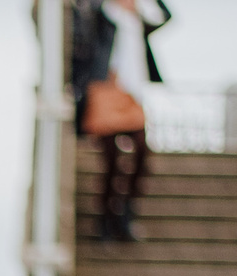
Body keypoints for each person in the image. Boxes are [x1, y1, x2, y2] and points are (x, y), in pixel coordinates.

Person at [73, 0, 172, 242]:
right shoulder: (100, 11)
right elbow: (82, 35)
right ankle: (106, 219)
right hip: (106, 88)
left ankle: (126, 211)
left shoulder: (139, 15)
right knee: (111, 159)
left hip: (132, 91)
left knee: (142, 150)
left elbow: (165, 17)